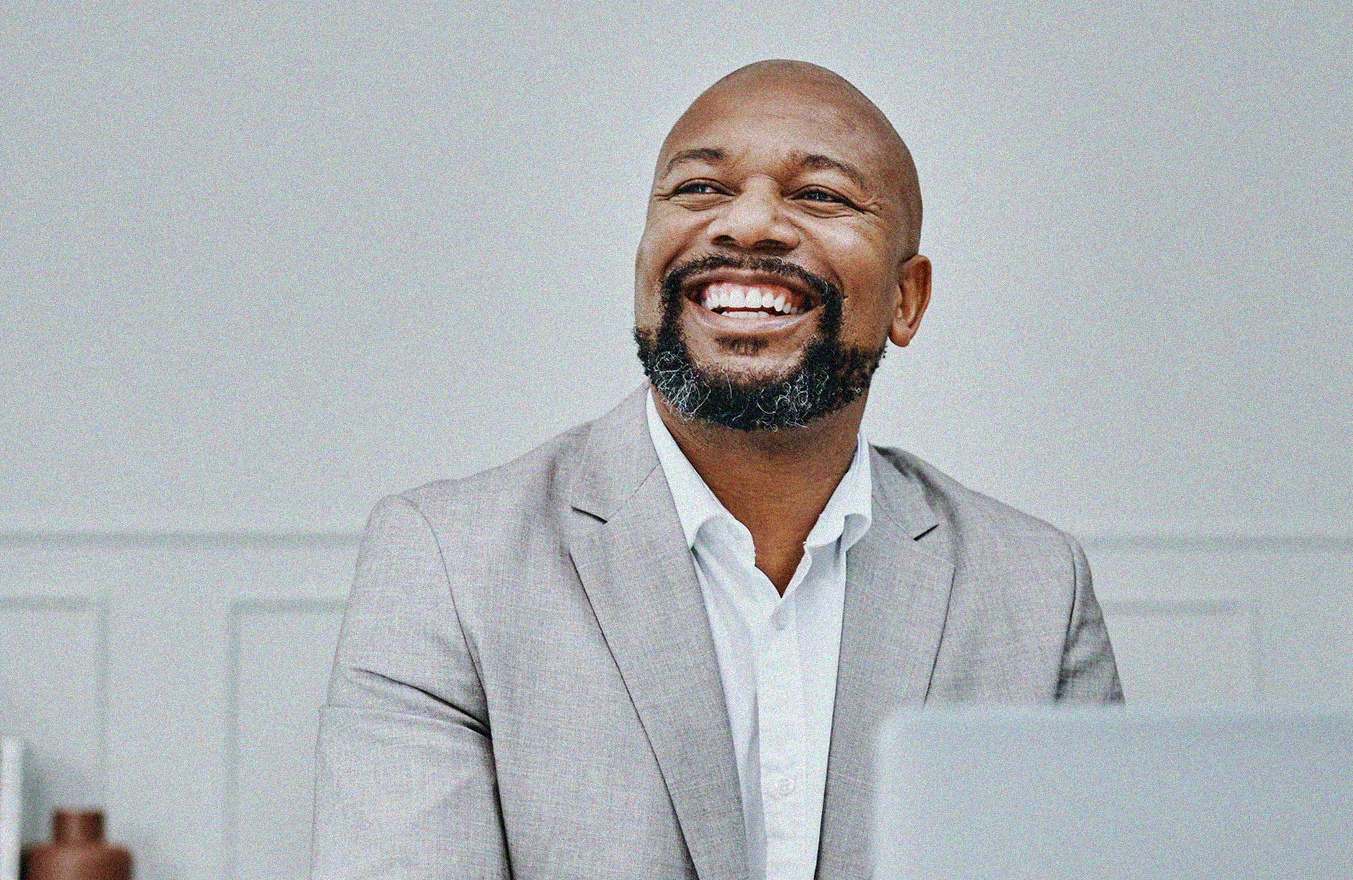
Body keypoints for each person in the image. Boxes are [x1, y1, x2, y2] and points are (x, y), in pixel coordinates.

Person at [310, 59, 1121, 880]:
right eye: (699, 189)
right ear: (643, 265)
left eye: (821, 195)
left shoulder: (1035, 590)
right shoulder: (450, 564)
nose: (750, 224)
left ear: (907, 300)